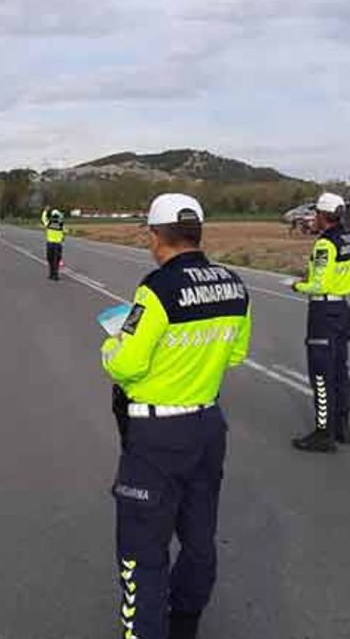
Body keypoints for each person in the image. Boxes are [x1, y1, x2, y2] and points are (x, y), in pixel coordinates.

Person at [101, 193, 252, 639]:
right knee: (199, 538)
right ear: (197, 232)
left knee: (141, 551)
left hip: (156, 438)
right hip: (207, 427)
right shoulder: (234, 284)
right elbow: (235, 355)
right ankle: (184, 624)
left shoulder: (157, 289)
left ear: (156, 236)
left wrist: (111, 346)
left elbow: (126, 364)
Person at [289, 192, 350, 453]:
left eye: (315, 214)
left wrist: (297, 285)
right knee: (340, 370)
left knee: (321, 374)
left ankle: (323, 434)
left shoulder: (325, 244)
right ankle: (342, 428)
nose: (313, 218)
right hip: (342, 308)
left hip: (324, 311)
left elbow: (318, 284)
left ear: (322, 215)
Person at [41, 207, 66, 280]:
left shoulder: (49, 223)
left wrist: (45, 211)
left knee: (50, 259)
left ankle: (51, 274)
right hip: (58, 244)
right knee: (57, 260)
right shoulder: (61, 224)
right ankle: (55, 275)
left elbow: (43, 219)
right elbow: (65, 231)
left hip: (50, 243)